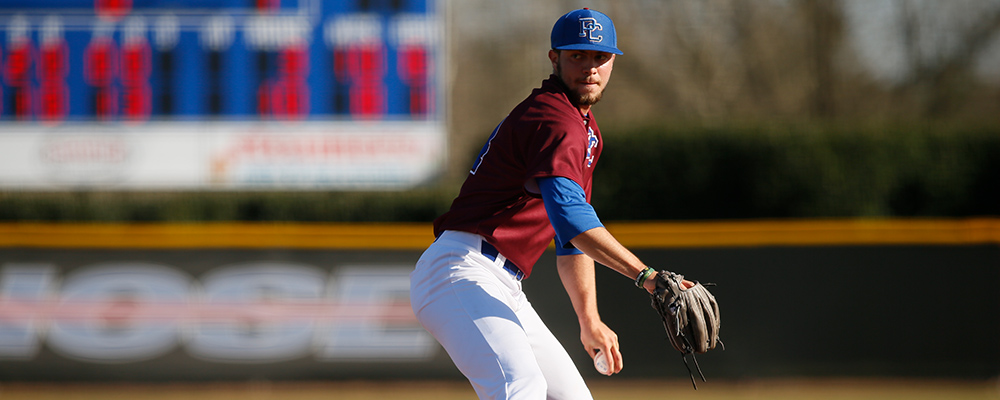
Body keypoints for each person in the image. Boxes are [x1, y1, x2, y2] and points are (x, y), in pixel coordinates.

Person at [410, 8, 687, 400]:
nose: (590, 68)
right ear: (554, 58)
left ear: (612, 63)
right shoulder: (555, 120)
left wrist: (588, 317)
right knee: (520, 387)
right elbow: (573, 221)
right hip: (460, 271)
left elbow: (571, 239)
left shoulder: (584, 128)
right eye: (578, 55)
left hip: (503, 283)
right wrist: (646, 276)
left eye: (600, 57)